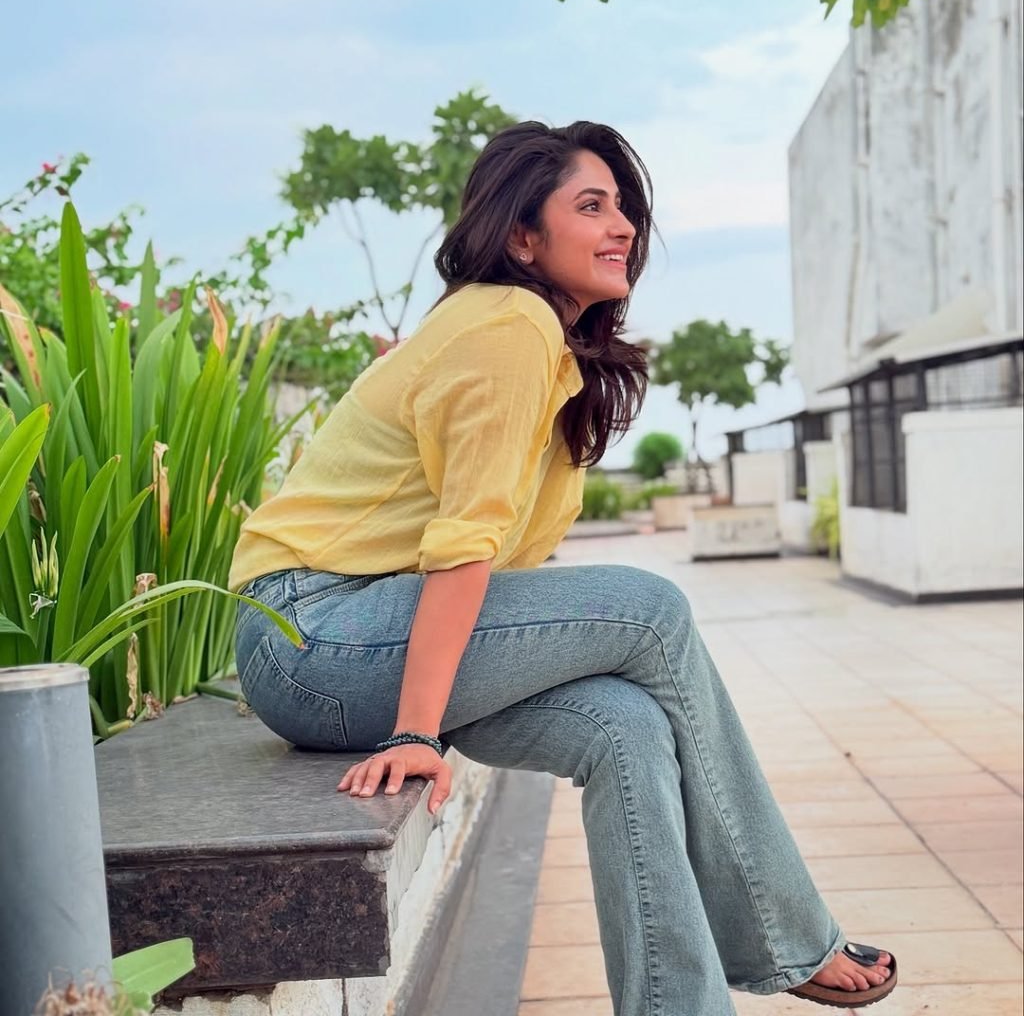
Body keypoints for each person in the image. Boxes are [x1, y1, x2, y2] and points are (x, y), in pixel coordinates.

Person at [228, 120, 896, 1015]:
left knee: (622, 725)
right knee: (653, 610)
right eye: (592, 205)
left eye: (623, 208)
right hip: (311, 633)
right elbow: (464, 549)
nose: (622, 226)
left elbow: (512, 582)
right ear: (521, 236)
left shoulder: (554, 355)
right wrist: (418, 734)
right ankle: (786, 939)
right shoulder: (506, 325)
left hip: (372, 641)